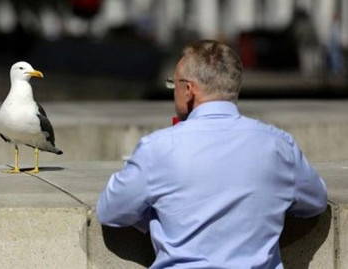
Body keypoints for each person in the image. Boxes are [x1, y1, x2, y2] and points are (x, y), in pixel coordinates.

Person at [97, 40, 327, 269]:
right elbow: (315, 201)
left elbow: (110, 210)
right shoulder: (278, 145)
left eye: (173, 84)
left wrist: (155, 213)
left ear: (188, 90)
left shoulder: (157, 148)